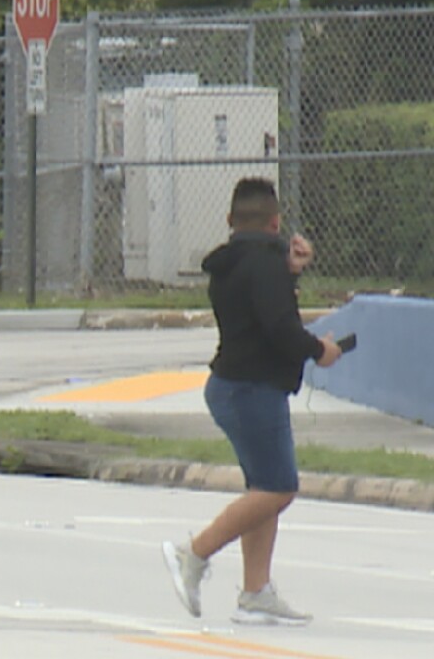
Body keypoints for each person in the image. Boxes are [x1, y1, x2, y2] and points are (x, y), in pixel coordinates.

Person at [162, 177, 342, 626]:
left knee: (263, 489)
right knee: (279, 488)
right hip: (250, 390)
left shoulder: (234, 264)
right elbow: (280, 327)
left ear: (230, 221)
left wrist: (291, 271)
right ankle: (194, 554)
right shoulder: (265, 267)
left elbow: (259, 309)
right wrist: (321, 350)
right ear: (276, 221)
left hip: (235, 386)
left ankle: (256, 592)